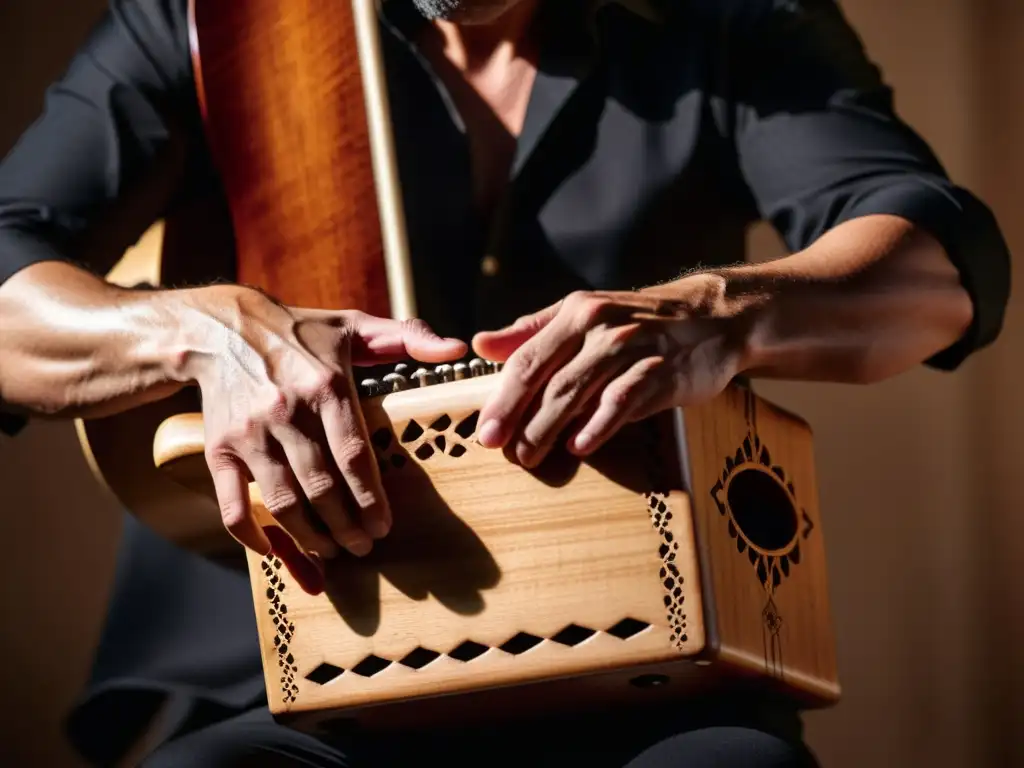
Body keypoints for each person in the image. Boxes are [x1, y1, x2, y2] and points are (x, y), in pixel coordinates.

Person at [0, 0, 1010, 765]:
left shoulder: (728, 15)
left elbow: (940, 269)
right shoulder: (201, 17)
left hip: (650, 676)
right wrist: (202, 332)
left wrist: (719, 314)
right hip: (272, 674)